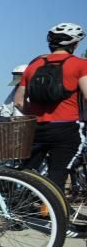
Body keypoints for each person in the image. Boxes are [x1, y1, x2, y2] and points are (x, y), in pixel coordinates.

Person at [14, 23, 87, 193]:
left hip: (37, 128)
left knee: (26, 174)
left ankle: (15, 209)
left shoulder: (33, 66)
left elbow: (18, 100)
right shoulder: (80, 65)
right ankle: (55, 216)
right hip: (68, 127)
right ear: (74, 45)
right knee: (57, 176)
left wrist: (37, 115)